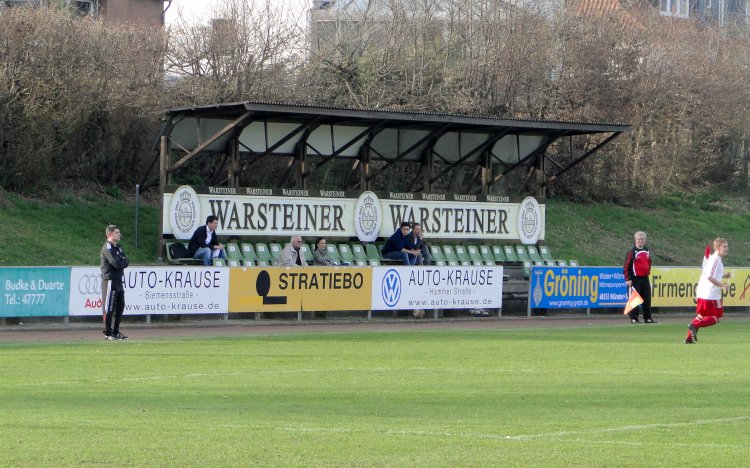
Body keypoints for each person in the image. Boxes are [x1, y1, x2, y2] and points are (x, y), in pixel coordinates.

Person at [685, 238, 731, 344]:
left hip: (703, 293)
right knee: (716, 317)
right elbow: (710, 277)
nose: (727, 248)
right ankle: (694, 325)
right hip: (711, 295)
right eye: (724, 246)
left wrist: (723, 276)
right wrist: (722, 285)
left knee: (701, 316)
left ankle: (688, 338)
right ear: (718, 248)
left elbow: (709, 274)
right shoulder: (716, 259)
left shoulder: (713, 258)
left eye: (727, 246)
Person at [101, 225, 129, 341]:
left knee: (120, 306)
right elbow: (115, 263)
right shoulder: (107, 248)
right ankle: (108, 333)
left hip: (118, 279)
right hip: (110, 280)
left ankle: (116, 332)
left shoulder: (118, 246)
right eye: (117, 232)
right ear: (110, 234)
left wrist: (122, 262)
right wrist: (121, 262)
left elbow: (126, 261)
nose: (119, 234)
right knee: (110, 307)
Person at [623, 231, 655, 323]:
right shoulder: (631, 252)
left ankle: (648, 318)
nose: (641, 240)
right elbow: (626, 266)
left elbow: (649, 262)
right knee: (635, 299)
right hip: (635, 279)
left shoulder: (646, 250)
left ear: (645, 240)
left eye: (642, 239)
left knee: (647, 298)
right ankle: (634, 318)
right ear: (635, 240)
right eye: (639, 239)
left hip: (645, 278)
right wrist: (628, 278)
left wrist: (648, 271)